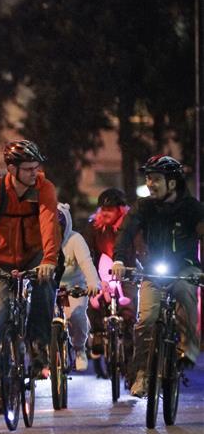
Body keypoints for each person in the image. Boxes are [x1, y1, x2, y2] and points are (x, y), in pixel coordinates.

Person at [111, 155, 204, 397]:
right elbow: (125, 231)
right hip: (153, 270)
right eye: (148, 178)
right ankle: (141, 374)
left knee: (186, 294)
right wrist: (119, 259)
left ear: (172, 183)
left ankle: (189, 350)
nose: (150, 183)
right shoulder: (144, 206)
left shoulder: (193, 208)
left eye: (156, 179)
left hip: (185, 268)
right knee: (146, 319)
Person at [0, 140, 61, 404]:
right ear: (11, 169)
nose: (34, 173)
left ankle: (39, 348)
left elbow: (49, 223)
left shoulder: (43, 188)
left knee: (44, 288)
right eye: (28, 169)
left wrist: (49, 259)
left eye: (36, 168)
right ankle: (2, 380)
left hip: (34, 257)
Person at [83, 188, 135, 368]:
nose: (105, 212)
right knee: (92, 298)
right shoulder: (93, 227)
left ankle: (129, 345)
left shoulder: (130, 227)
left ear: (120, 210)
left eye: (110, 209)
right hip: (100, 273)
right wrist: (93, 276)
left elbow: (141, 249)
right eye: (103, 208)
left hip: (127, 274)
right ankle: (97, 333)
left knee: (129, 308)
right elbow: (87, 253)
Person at [55, 203, 102, 372]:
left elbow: (86, 263)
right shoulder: (41, 240)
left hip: (74, 286)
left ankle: (79, 348)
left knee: (77, 316)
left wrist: (92, 283)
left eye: (59, 227)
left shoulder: (75, 240)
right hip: (50, 287)